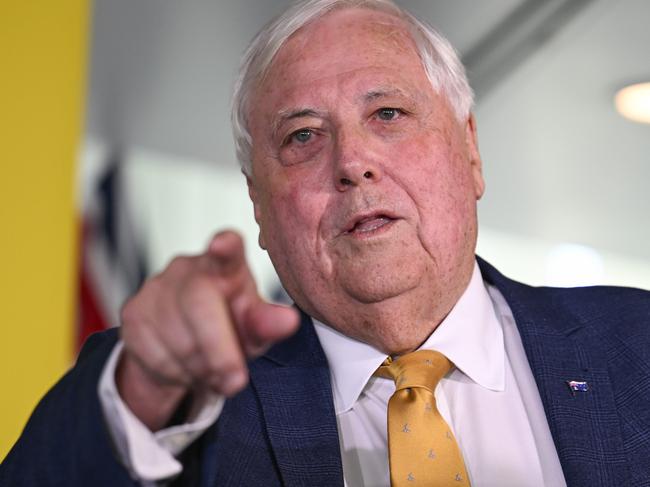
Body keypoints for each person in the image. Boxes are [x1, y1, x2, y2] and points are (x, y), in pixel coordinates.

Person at [2, 0, 649, 486]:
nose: (352, 162)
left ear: (471, 150)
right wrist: (142, 394)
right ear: (258, 204)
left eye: (387, 114)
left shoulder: (636, 343)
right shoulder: (183, 408)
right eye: (303, 136)